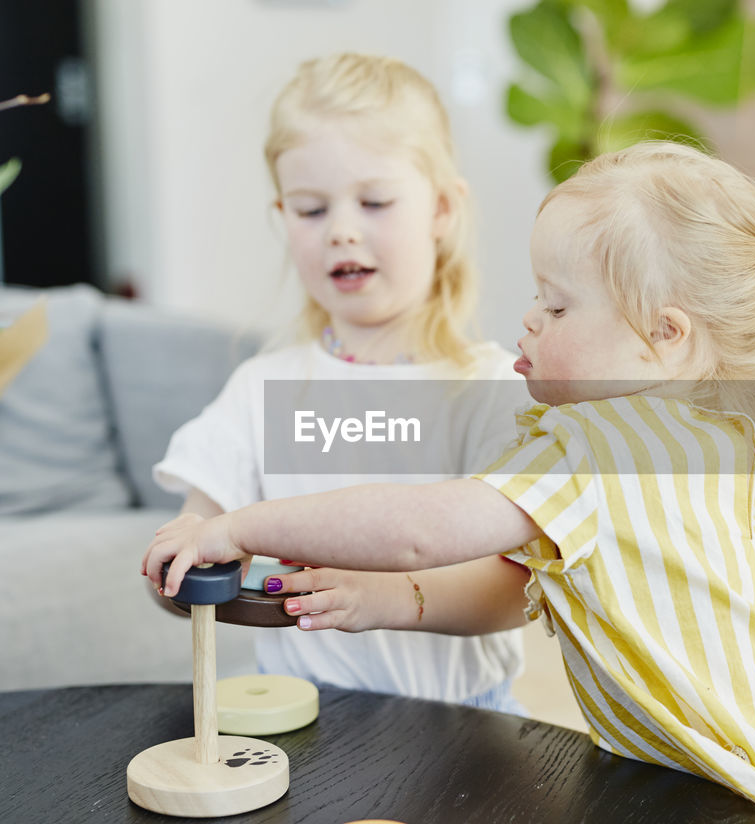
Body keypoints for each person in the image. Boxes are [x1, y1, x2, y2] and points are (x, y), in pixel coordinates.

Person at [143, 141, 755, 824]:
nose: (529, 317)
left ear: (663, 335)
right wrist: (381, 597)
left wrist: (240, 526)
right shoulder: (705, 443)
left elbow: (419, 530)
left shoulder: (592, 452)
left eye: (558, 304)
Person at [151, 53, 530, 713]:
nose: (342, 230)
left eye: (375, 201)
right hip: (307, 720)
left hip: (469, 725)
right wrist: (179, 565)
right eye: (310, 209)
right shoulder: (260, 388)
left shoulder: (491, 389)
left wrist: (388, 599)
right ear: (282, 213)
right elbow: (200, 527)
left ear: (441, 207)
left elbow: (519, 589)